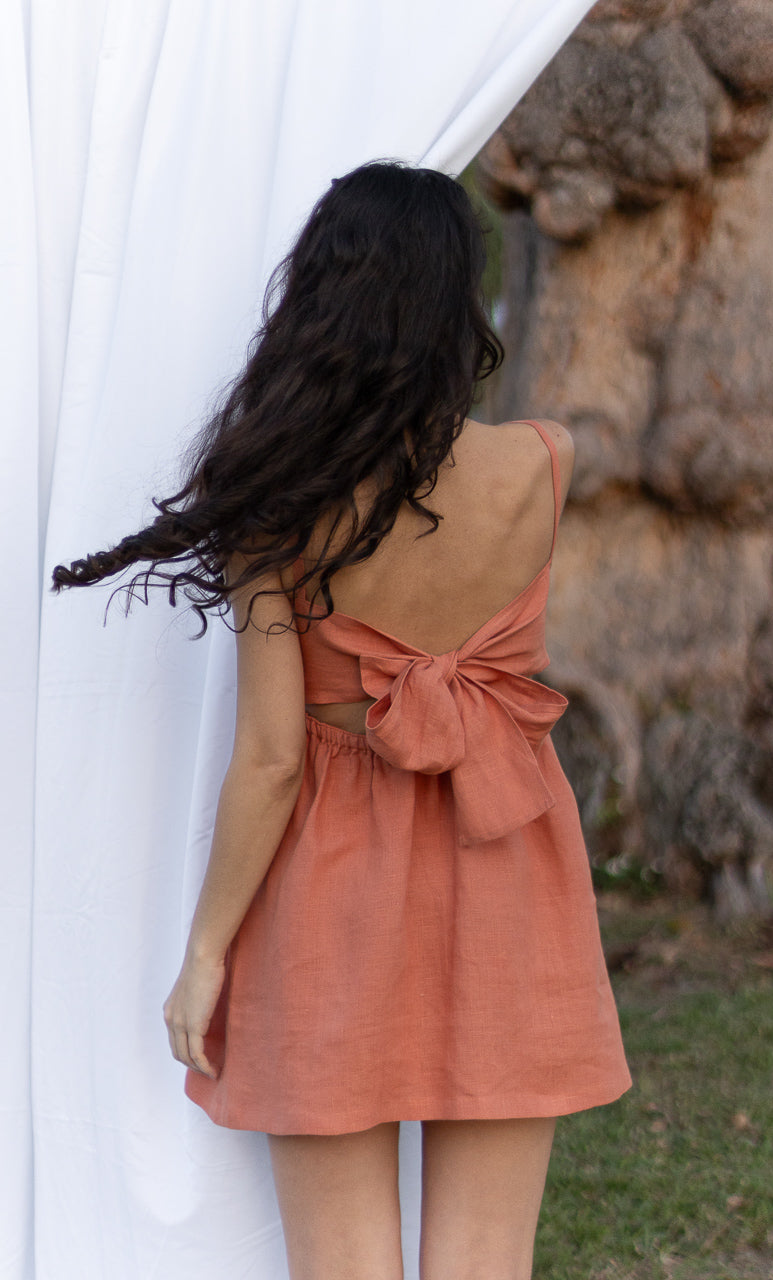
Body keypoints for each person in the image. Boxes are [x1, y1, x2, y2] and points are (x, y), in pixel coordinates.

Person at [52, 160, 630, 1280]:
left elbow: (271, 760)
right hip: (506, 865)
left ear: (319, 301)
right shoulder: (540, 465)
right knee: (484, 1262)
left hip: (333, 893)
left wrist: (206, 953)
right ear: (456, 302)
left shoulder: (279, 501)